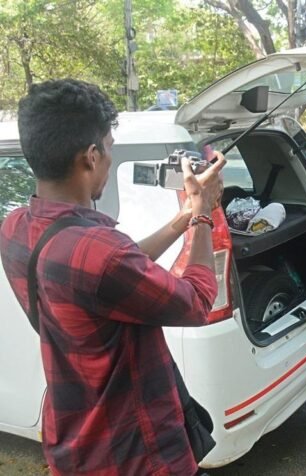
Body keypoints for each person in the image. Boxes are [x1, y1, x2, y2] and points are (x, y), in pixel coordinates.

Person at [0, 79, 226, 475]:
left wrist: (184, 217)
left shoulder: (16, 227)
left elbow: (111, 271)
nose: (108, 157)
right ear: (90, 156)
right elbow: (195, 302)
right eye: (108, 148)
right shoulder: (99, 253)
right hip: (134, 450)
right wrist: (205, 214)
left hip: (73, 439)